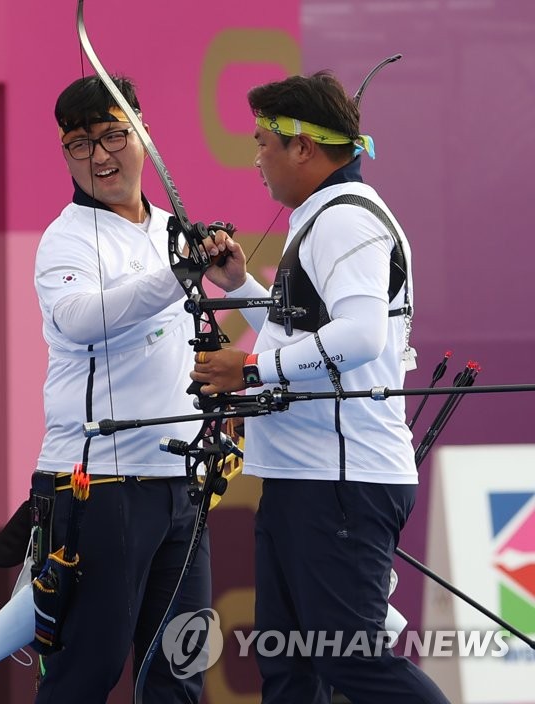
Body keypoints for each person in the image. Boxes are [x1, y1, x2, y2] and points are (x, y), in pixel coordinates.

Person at [190, 71, 449, 703]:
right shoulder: (324, 217)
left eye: (262, 143)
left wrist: (248, 371)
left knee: (353, 664)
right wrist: (240, 285)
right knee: (289, 672)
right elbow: (299, 336)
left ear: (303, 146)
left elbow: (359, 337)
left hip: (337, 485)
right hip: (303, 480)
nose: (256, 161)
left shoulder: (344, 222)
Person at [31, 74, 211, 703]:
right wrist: (178, 275)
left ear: (143, 130)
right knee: (88, 670)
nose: (102, 156)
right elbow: (81, 320)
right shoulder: (66, 238)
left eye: (113, 134)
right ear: (65, 154)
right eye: (81, 145)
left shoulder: (171, 230)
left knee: (181, 671)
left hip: (183, 485)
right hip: (98, 483)